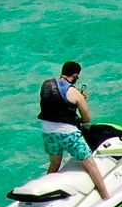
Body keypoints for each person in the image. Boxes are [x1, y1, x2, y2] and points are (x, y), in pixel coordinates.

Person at [37, 61, 110, 199]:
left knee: (54, 164)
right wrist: (82, 100)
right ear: (75, 75)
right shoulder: (74, 92)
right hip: (68, 134)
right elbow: (86, 118)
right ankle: (106, 196)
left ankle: (44, 194)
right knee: (91, 166)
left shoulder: (46, 84)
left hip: (48, 133)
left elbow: (55, 103)